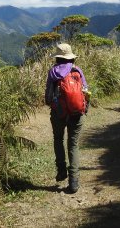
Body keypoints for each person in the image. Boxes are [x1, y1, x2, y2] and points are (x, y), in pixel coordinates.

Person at [44, 43, 89, 194]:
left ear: (57, 57)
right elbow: (86, 91)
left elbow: (48, 96)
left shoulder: (53, 72)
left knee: (58, 139)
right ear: (71, 57)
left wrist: (54, 104)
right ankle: (74, 182)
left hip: (58, 113)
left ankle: (61, 170)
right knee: (73, 144)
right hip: (77, 113)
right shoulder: (77, 70)